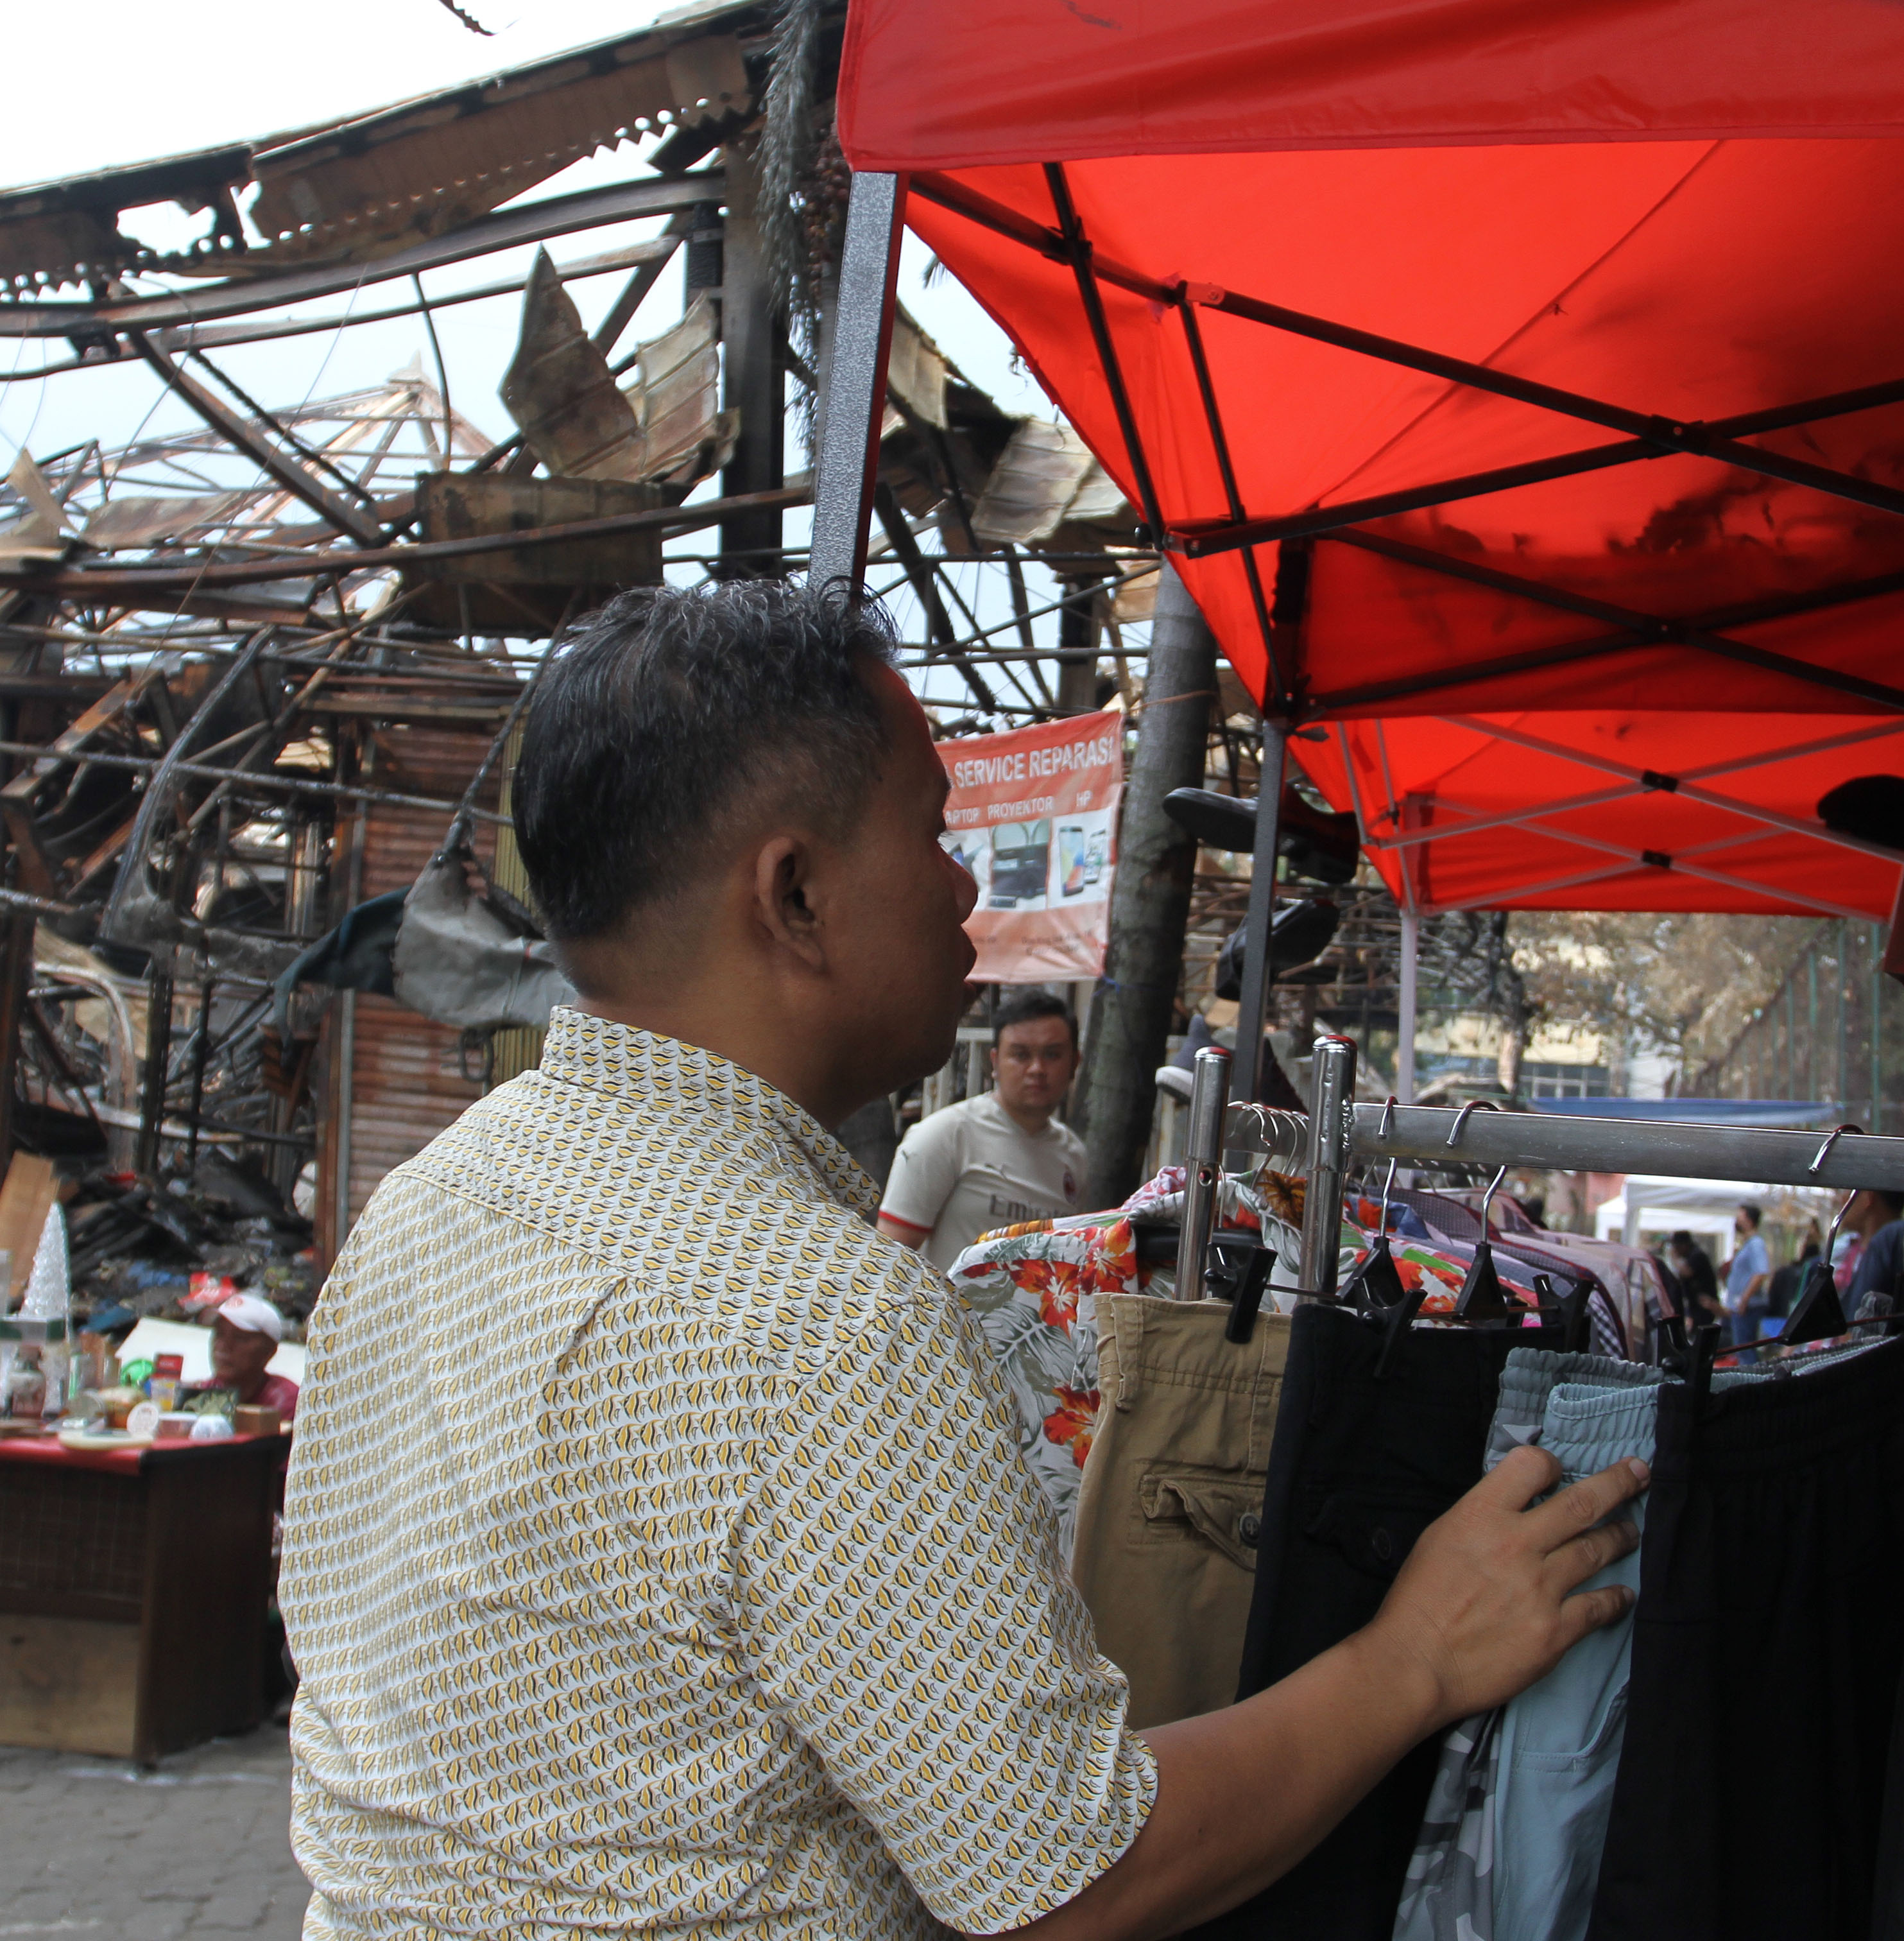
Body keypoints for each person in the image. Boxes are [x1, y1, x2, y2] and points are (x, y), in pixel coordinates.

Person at [276, 580, 1647, 1941]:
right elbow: (1065, 1878)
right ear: (796, 892)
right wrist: (1415, 1658)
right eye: (933, 832)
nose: (963, 882)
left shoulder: (428, 1200)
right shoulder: (820, 1321)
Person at [879, 988, 1088, 1269]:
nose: (1037, 1069)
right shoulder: (946, 1135)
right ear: (995, 1062)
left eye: (1052, 1055)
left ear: (1075, 1063)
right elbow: (890, 1258)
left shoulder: (1074, 1156)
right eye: (1021, 1055)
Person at [205, 1291, 301, 1419]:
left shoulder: (285, 1401)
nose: (223, 1346)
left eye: (240, 1338)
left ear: (269, 1351)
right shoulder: (205, 1392)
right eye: (219, 1334)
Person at [1720, 1203, 1772, 1328]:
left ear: (1749, 1221)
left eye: (1740, 1218)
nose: (1737, 1221)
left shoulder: (1756, 1244)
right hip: (1738, 1306)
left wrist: (1744, 1300)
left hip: (1749, 1307)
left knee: (1744, 1345)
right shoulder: (1747, 1245)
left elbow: (1760, 1273)